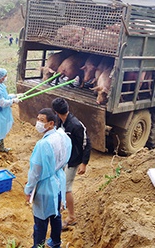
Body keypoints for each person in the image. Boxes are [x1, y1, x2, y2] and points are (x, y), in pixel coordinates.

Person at [24, 108, 72, 248]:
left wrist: (28, 190)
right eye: (38, 119)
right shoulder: (63, 136)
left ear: (51, 123)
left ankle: (38, 246)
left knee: (41, 221)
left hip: (46, 187)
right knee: (56, 214)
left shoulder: (43, 145)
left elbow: (35, 171)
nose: (38, 123)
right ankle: (55, 242)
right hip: (59, 181)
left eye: (42, 121)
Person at [52, 98, 91, 229]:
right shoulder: (61, 122)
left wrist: (84, 163)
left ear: (56, 112)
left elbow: (86, 144)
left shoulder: (75, 125)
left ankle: (71, 217)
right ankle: (62, 205)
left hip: (73, 161)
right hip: (63, 158)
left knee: (67, 187)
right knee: (59, 183)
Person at [0, 68, 21, 158]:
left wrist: (14, 95)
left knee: (2, 129)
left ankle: (1, 148)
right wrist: (13, 101)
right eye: (5, 76)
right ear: (1, 77)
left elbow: (5, 96)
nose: (6, 78)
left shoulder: (0, 84)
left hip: (1, 112)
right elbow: (2, 103)